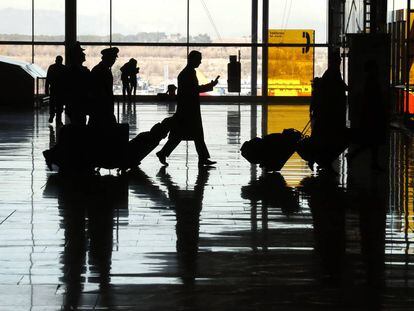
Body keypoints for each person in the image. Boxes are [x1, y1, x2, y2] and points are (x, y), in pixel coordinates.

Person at [156, 50, 219, 167]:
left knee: (186, 135)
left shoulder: (187, 73)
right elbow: (194, 90)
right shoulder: (188, 74)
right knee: (189, 134)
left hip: (187, 109)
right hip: (188, 110)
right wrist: (211, 86)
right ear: (192, 59)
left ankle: (202, 158)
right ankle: (164, 153)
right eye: (199, 59)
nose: (200, 62)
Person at [89, 47, 119, 126]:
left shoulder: (100, 69)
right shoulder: (101, 70)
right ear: (107, 58)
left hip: (101, 107)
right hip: (101, 107)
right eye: (113, 59)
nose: (114, 61)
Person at [65, 42, 91, 125]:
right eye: (81, 52)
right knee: (79, 125)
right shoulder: (74, 71)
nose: (83, 54)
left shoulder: (72, 70)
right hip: (77, 104)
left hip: (78, 104)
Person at [45, 55, 67, 125]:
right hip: (61, 90)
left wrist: (46, 89)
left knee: (52, 103)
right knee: (59, 105)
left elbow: (48, 79)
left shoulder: (51, 67)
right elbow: (67, 80)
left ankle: (52, 115)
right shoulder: (64, 68)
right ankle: (58, 119)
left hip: (53, 89)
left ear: (55, 60)